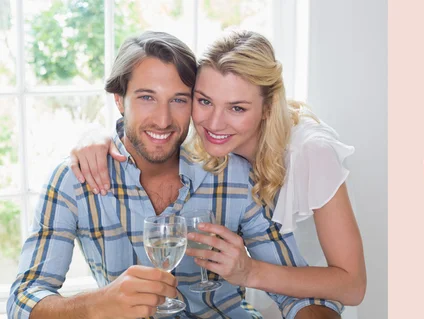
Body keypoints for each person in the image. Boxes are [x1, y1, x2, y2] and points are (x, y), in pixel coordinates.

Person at [7, 31, 343, 319]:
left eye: (179, 100)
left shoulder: (235, 176)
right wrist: (96, 305)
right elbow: (24, 299)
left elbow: (303, 294)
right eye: (147, 97)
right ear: (119, 100)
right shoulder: (75, 181)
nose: (164, 119)